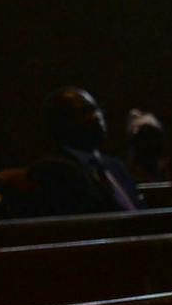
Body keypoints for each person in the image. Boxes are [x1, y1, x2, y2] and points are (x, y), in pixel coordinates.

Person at [28, 87, 145, 216]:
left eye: (95, 109)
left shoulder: (115, 165)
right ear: (60, 123)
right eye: (82, 112)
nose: (96, 117)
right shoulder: (52, 169)